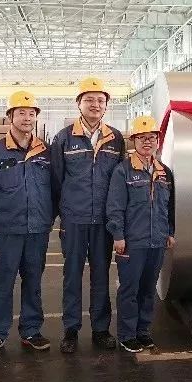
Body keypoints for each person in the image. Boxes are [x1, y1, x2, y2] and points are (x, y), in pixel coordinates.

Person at [50, 77, 126, 354]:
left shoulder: (115, 138)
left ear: (106, 106)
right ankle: (70, 329)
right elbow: (55, 180)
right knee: (71, 275)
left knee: (101, 275)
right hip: (74, 219)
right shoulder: (63, 138)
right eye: (89, 100)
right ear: (78, 103)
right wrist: (62, 213)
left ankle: (100, 329)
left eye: (100, 100)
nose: (95, 104)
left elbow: (120, 181)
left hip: (103, 221)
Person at [0, 90, 54, 357]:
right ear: (10, 116)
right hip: (6, 230)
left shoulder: (45, 151)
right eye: (21, 113)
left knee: (33, 281)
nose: (27, 118)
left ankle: (31, 330)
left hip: (37, 229)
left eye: (31, 113)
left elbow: (56, 189)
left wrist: (48, 218)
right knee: (3, 283)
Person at [106, 116, 175, 353]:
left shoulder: (164, 172)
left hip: (157, 241)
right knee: (129, 290)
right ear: (133, 141)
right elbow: (115, 207)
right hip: (132, 242)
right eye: (142, 138)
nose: (147, 142)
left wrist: (170, 232)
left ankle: (143, 331)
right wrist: (118, 235)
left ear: (158, 141)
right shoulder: (123, 171)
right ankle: (127, 335)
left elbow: (170, 206)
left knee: (148, 290)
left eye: (152, 138)